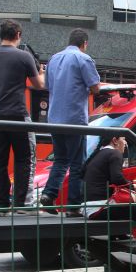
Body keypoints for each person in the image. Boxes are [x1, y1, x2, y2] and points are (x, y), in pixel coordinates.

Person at [0, 19, 45, 216]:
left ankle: (2, 205)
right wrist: (41, 72)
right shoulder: (24, 56)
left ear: (1, 35)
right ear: (18, 34)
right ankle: (20, 204)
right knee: (23, 159)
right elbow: (38, 85)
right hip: (17, 114)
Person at [40, 29, 101, 216]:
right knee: (77, 163)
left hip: (55, 119)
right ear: (84, 43)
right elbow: (96, 88)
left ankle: (48, 195)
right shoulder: (83, 59)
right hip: (75, 119)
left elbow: (47, 86)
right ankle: (73, 206)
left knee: (60, 160)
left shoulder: (54, 59)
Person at [81, 136, 136, 258]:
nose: (125, 143)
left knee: (124, 208)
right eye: (124, 139)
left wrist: (132, 182)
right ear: (114, 140)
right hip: (100, 208)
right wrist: (134, 187)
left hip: (89, 207)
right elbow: (117, 178)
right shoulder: (114, 153)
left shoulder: (99, 153)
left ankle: (119, 234)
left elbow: (109, 180)